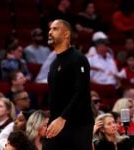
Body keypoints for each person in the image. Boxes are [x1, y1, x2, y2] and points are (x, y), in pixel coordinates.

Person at [43, 19, 94, 150]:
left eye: (55, 29)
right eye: (50, 29)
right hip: (56, 123)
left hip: (78, 125)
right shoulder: (54, 63)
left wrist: (63, 118)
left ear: (66, 34)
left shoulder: (78, 58)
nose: (50, 32)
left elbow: (81, 92)